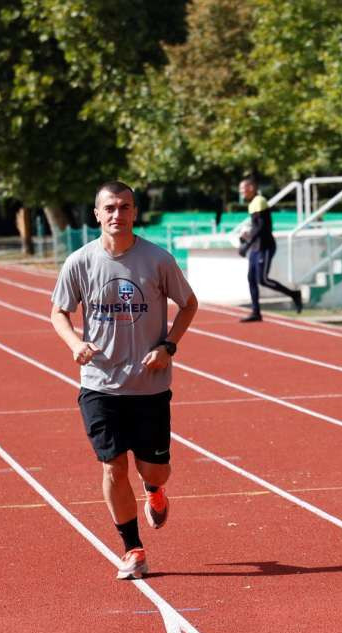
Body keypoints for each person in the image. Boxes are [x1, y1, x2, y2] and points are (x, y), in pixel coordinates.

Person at [50, 180, 198, 580]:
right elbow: (59, 312)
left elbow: (188, 304)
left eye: (125, 207)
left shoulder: (157, 260)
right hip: (100, 383)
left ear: (135, 212)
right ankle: (133, 549)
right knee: (112, 466)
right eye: (110, 208)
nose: (118, 214)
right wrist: (74, 343)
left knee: (154, 470)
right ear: (97, 214)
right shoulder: (80, 262)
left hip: (149, 384)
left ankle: (155, 490)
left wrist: (168, 346)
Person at [237, 178, 303, 321]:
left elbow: (261, 227)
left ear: (251, 187)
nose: (241, 191)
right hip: (256, 247)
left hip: (265, 246)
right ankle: (256, 312)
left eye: (243, 188)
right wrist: (246, 237)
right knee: (251, 279)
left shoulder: (259, 201)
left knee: (263, 280)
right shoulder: (252, 204)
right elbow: (256, 227)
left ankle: (294, 294)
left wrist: (247, 245)